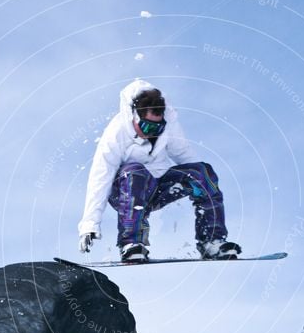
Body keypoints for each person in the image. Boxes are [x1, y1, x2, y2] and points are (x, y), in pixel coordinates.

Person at [78, 79, 241, 262]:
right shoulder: (116, 134)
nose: (152, 132)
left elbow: (185, 156)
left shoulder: (169, 126)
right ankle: (131, 244)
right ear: (135, 116)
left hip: (157, 188)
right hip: (126, 192)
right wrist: (89, 224)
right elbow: (100, 177)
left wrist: (204, 184)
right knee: (134, 171)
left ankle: (212, 241)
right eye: (147, 126)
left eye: (157, 126)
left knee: (203, 171)